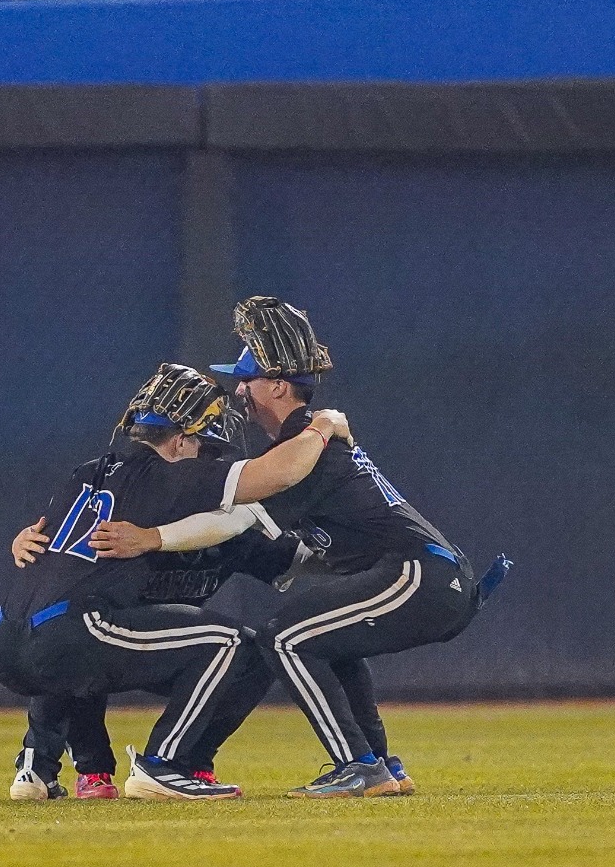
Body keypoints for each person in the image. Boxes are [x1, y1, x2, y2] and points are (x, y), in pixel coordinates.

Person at [0, 362, 347, 800]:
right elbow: (274, 476)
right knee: (228, 641)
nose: (211, 459)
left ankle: (38, 767)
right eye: (205, 447)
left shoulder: (89, 473)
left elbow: (48, 543)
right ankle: (164, 763)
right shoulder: (170, 477)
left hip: (3, 640)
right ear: (180, 439)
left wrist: (22, 540)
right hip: (72, 631)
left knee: (71, 628)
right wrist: (322, 428)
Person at [206, 296, 485, 800]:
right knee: (322, 638)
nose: (237, 390)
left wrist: (152, 535)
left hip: (419, 575)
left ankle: (359, 765)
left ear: (275, 385)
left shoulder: (301, 449)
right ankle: (380, 763)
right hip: (434, 578)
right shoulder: (310, 437)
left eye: (245, 379)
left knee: (284, 637)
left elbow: (234, 514)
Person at [5, 490, 298, 800]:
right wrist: (31, 538)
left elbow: (300, 557)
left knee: (257, 653)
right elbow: (67, 546)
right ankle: (55, 764)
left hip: (168, 648)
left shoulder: (230, 531)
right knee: (73, 632)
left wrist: (346, 542)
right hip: (102, 636)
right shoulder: (133, 516)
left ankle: (188, 763)